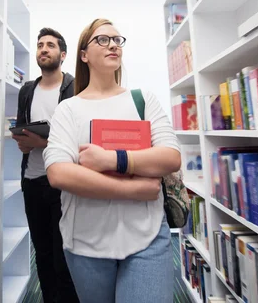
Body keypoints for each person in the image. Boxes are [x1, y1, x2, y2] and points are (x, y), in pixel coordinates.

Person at [43, 18, 182, 303]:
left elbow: (170, 157)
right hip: (85, 242)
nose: (113, 45)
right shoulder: (68, 109)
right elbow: (59, 173)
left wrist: (110, 159)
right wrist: (133, 189)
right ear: (84, 55)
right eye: (103, 40)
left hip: (148, 235)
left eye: (118, 40)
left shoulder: (143, 100)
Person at [13, 27, 78, 303]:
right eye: (40, 45)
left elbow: (78, 136)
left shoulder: (74, 87)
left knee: (63, 253)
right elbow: (21, 126)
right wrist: (22, 140)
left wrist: (42, 144)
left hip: (62, 182)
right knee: (42, 252)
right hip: (32, 181)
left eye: (50, 45)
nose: (43, 49)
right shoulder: (27, 89)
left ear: (62, 54)